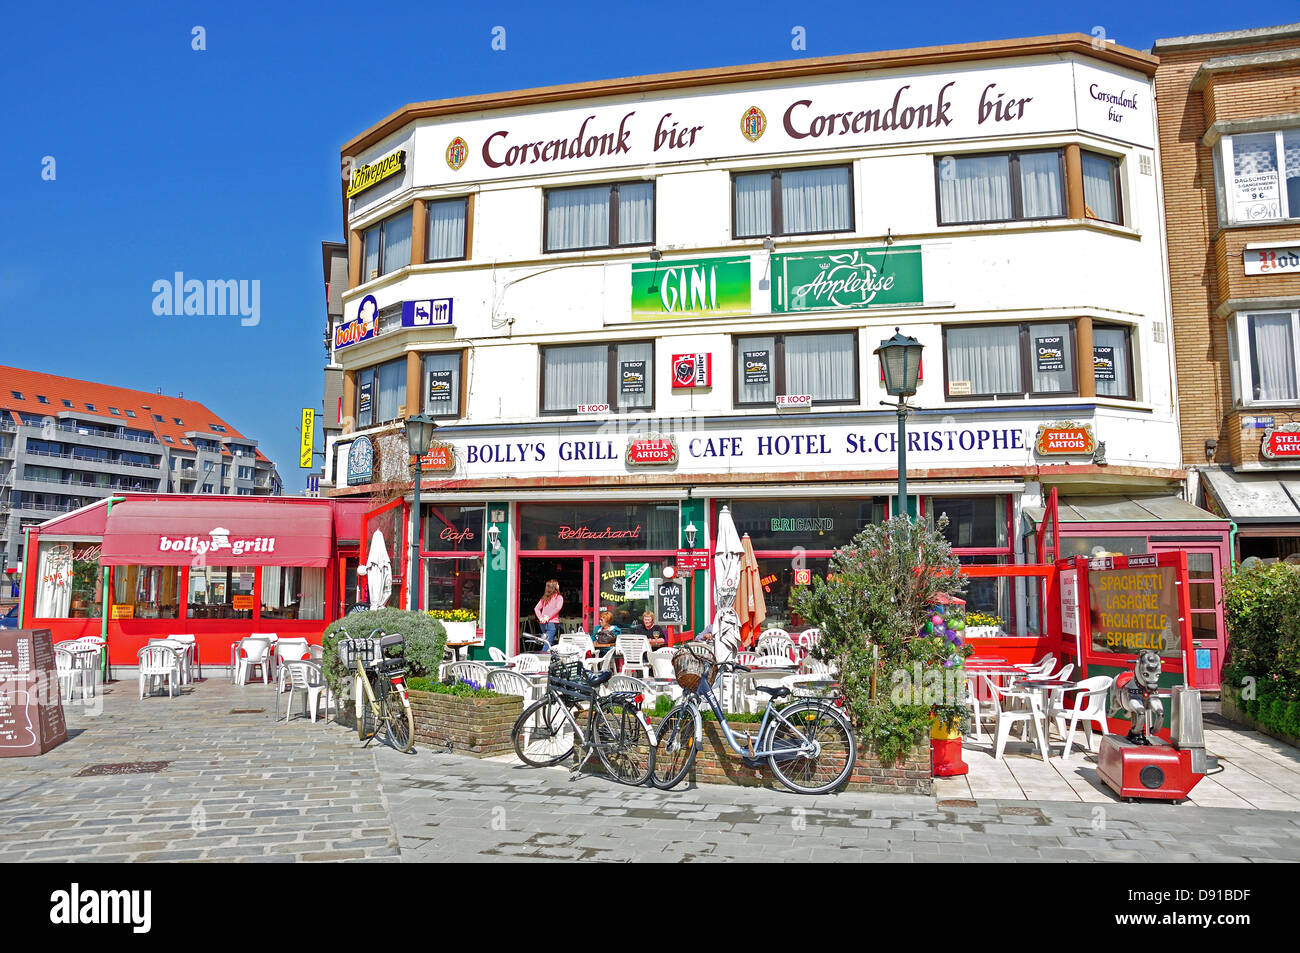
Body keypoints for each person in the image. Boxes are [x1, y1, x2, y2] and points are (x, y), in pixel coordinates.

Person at [534, 579, 563, 647]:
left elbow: (536, 608)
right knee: (548, 644)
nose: (559, 585)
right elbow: (558, 608)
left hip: (543, 624)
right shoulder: (559, 597)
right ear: (555, 587)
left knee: (547, 642)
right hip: (552, 623)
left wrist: (541, 618)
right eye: (557, 584)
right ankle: (542, 656)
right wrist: (548, 617)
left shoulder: (544, 598)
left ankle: (549, 656)